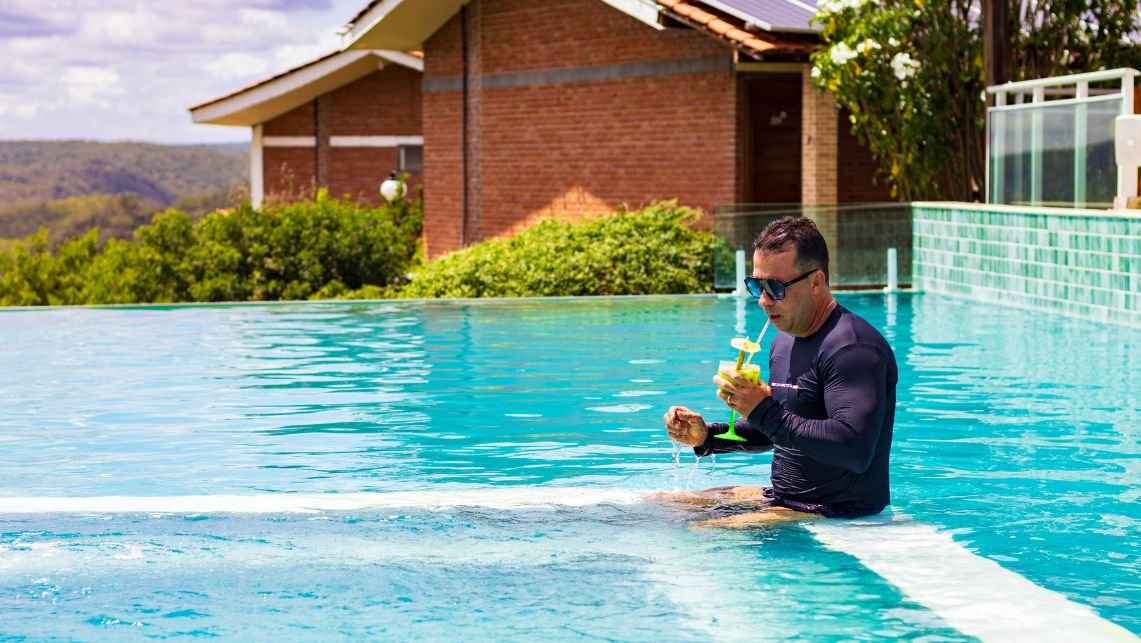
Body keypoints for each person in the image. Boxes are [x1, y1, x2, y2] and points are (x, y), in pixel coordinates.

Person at [659, 216, 897, 527]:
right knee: (656, 504)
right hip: (785, 498)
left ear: (815, 282)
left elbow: (853, 450)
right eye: (756, 285)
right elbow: (780, 428)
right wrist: (708, 436)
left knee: (696, 531)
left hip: (837, 510)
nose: (762, 300)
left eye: (775, 287)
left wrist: (762, 409)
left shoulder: (852, 349)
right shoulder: (784, 340)